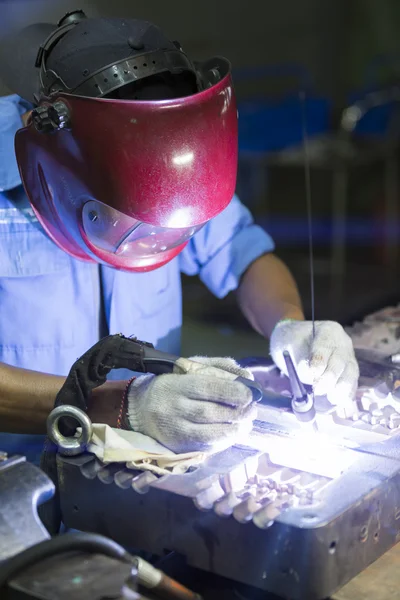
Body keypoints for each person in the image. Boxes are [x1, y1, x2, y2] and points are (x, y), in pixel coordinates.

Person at [0, 11, 359, 463]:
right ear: (60, 167)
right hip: (21, 481)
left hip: (146, 478)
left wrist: (290, 325)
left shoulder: (178, 156)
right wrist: (122, 404)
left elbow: (240, 253)